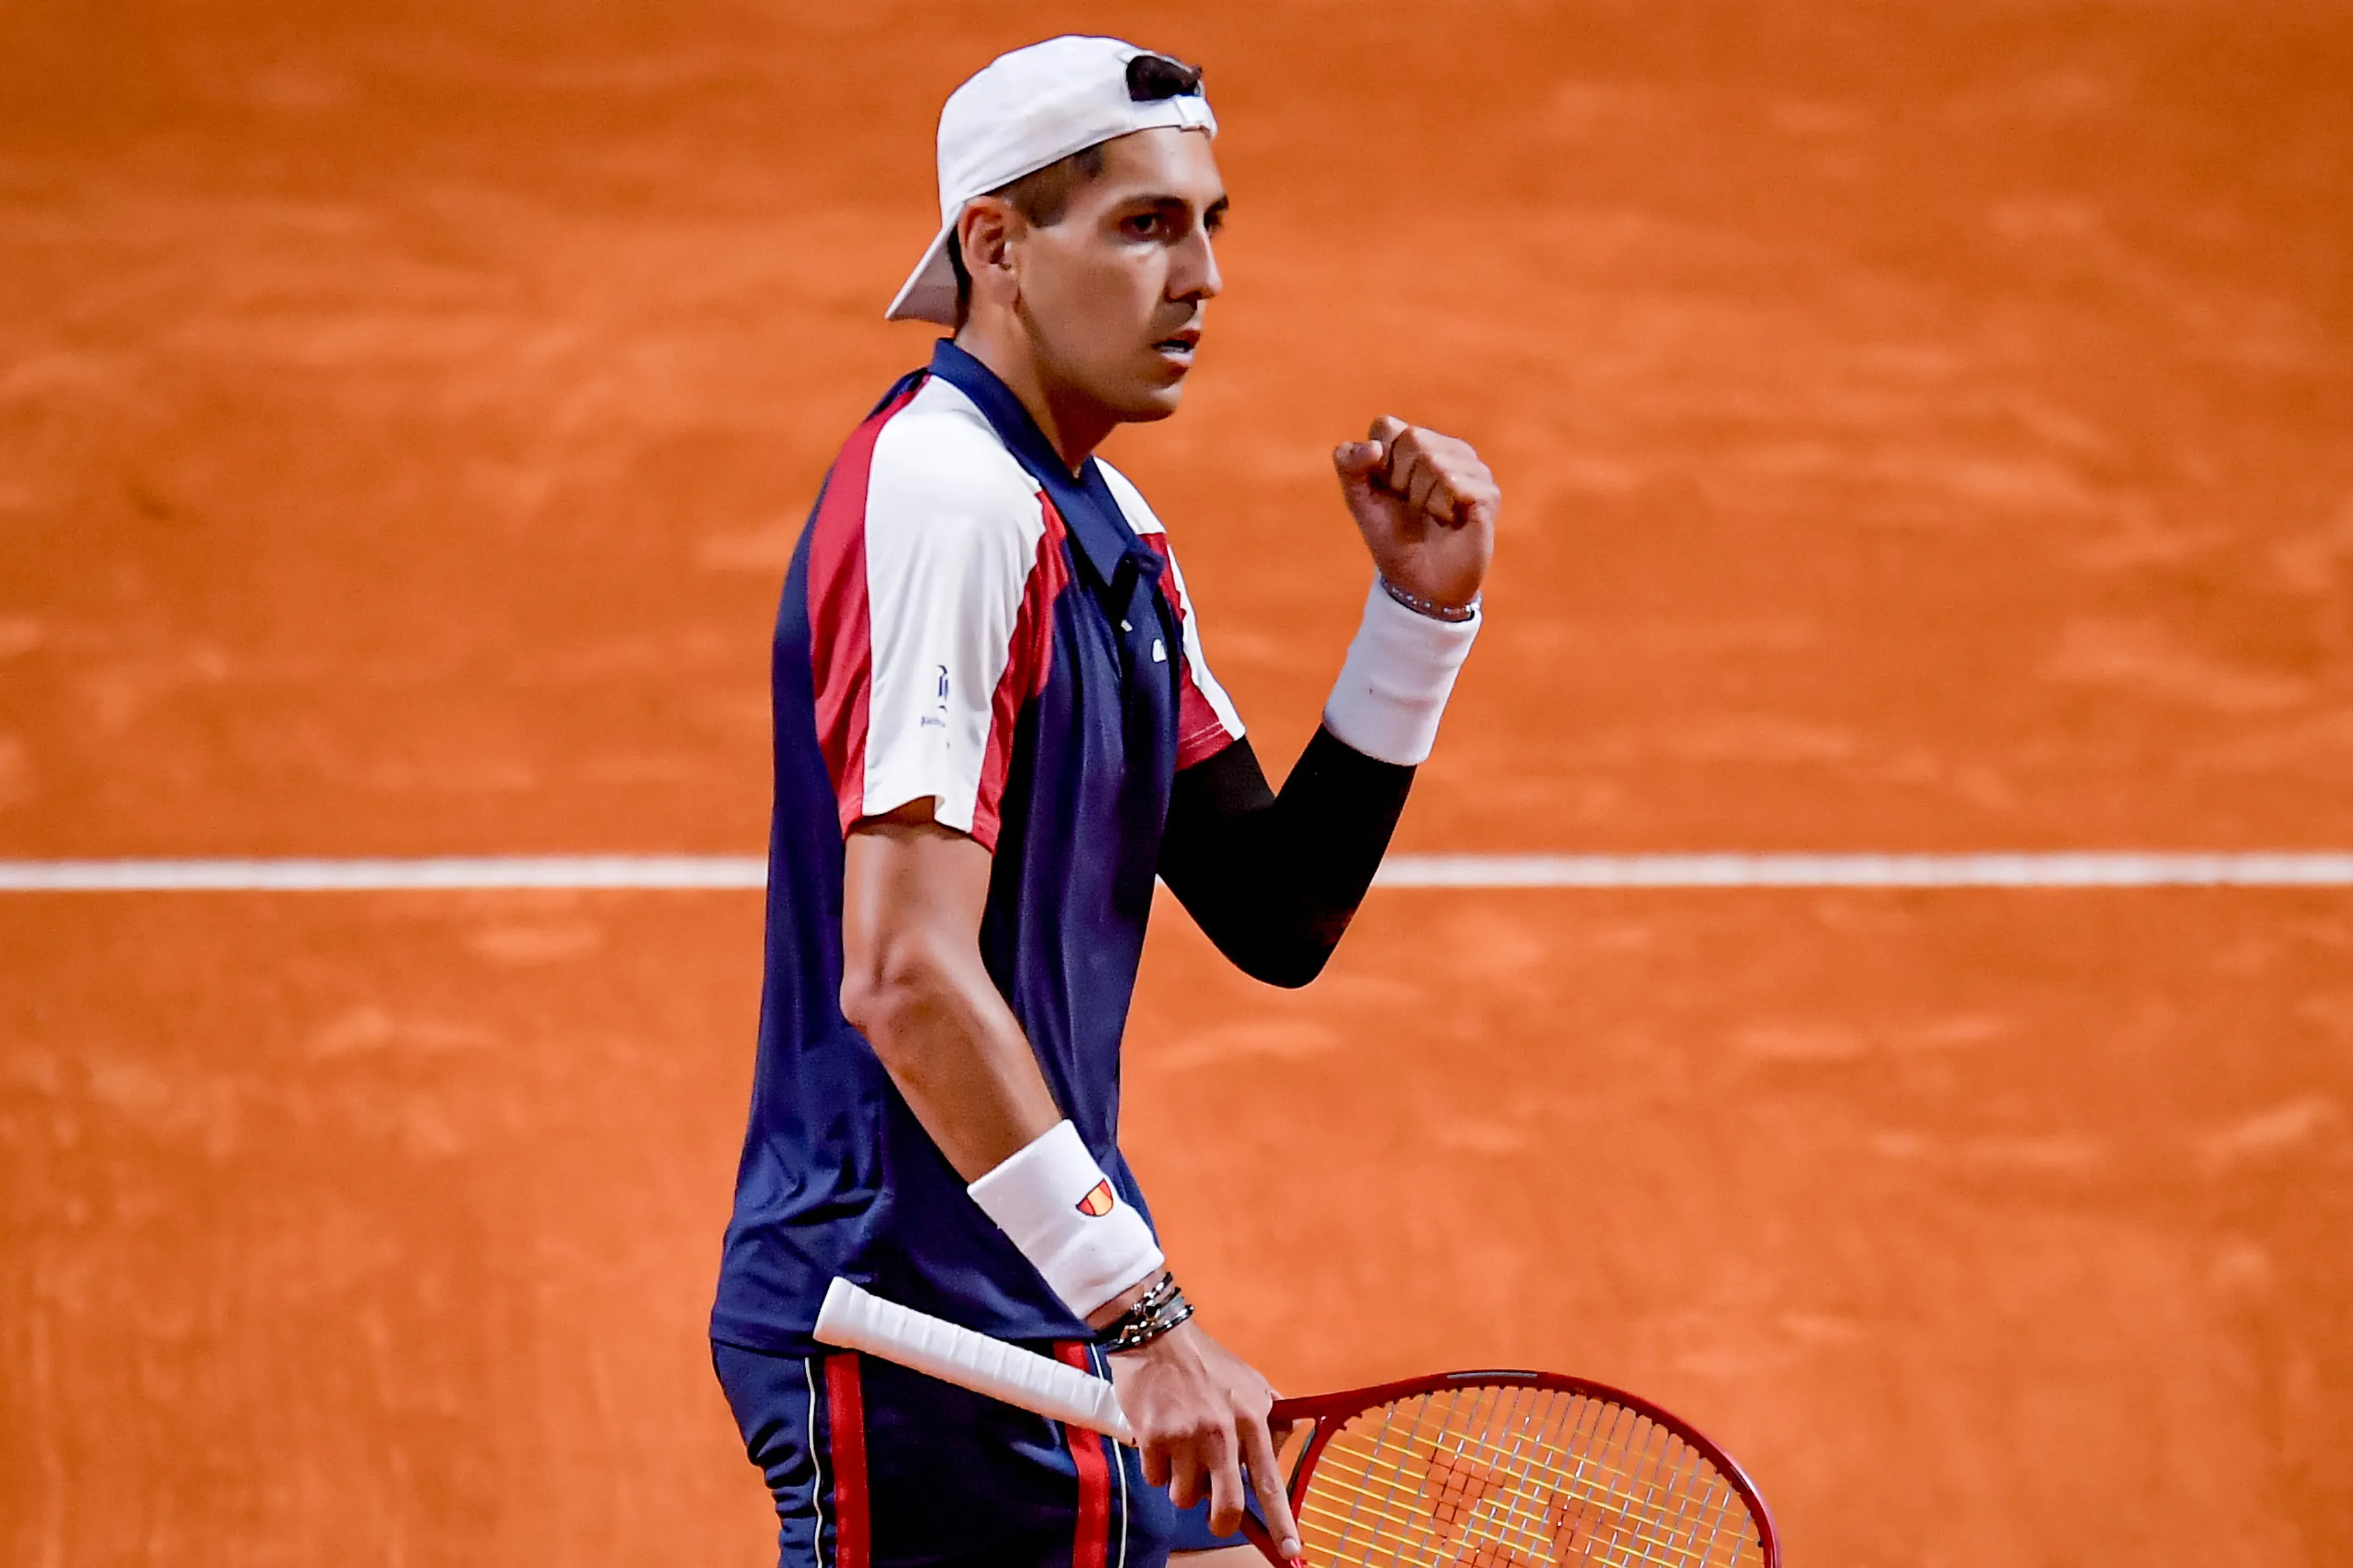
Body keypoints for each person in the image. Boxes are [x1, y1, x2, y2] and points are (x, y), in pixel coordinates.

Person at [710, 34, 1500, 1568]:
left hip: (1030, 1290)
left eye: (1209, 222)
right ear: (994, 248)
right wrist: (1145, 1315)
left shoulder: (1103, 522)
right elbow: (902, 970)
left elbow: (1275, 909)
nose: (1200, 273)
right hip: (913, 1321)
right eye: (1143, 225)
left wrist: (1417, 625)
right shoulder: (948, 496)